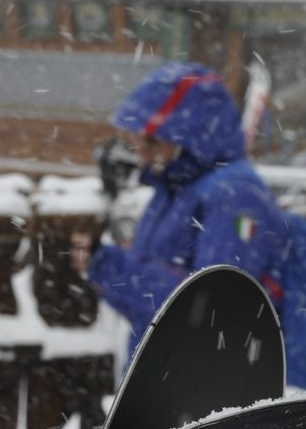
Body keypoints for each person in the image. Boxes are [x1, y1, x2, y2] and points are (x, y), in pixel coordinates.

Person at [73, 61, 287, 368]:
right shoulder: (173, 190)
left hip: (204, 391)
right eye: (138, 140)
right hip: (167, 382)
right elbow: (163, 291)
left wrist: (111, 267)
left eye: (153, 141)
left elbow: (212, 307)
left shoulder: (234, 196)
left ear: (190, 138)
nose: (141, 152)